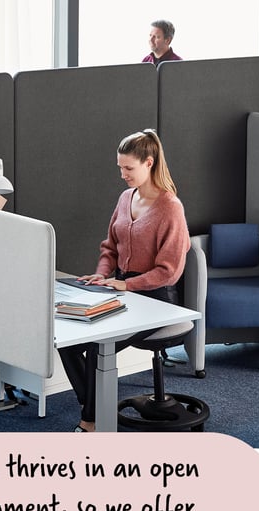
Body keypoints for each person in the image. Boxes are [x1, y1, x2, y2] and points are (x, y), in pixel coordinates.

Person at [58, 129, 190, 432]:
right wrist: (102, 274)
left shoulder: (171, 208)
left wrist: (127, 284)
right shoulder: (125, 198)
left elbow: (169, 271)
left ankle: (90, 422)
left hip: (157, 299)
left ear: (149, 163)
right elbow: (110, 248)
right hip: (122, 291)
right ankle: (93, 406)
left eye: (128, 168)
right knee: (68, 341)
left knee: (96, 348)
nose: (122, 174)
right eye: (120, 167)